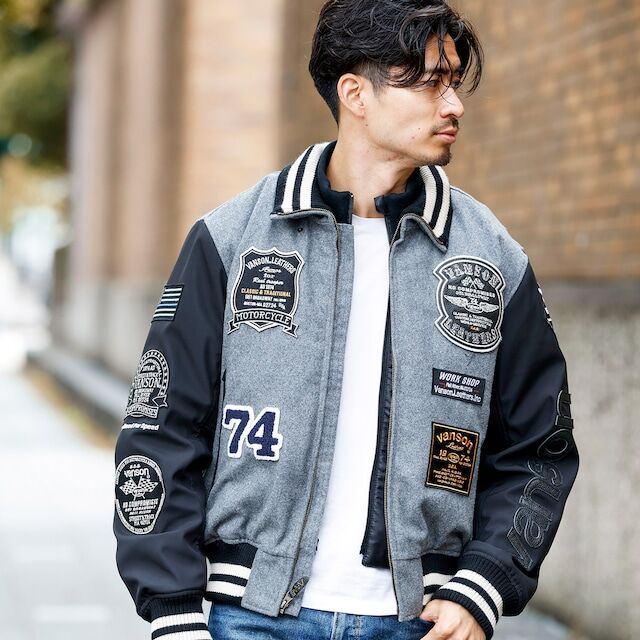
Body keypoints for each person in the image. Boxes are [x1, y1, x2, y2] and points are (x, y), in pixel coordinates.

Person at [113, 1, 579, 639]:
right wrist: (172, 608)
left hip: (418, 621)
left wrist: (485, 584)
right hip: (246, 616)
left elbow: (541, 445)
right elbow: (160, 427)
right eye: (430, 82)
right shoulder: (232, 239)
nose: (454, 105)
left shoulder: (490, 257)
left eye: (454, 83)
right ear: (355, 93)